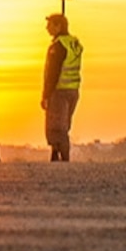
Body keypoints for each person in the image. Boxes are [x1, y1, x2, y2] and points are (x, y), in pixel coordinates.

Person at [41, 12, 85, 162]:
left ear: (58, 26)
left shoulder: (58, 46)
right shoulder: (74, 43)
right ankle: (55, 155)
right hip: (73, 90)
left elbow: (52, 73)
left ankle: (63, 160)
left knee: (56, 127)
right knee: (63, 125)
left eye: (50, 25)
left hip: (59, 90)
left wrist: (45, 95)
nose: (47, 28)